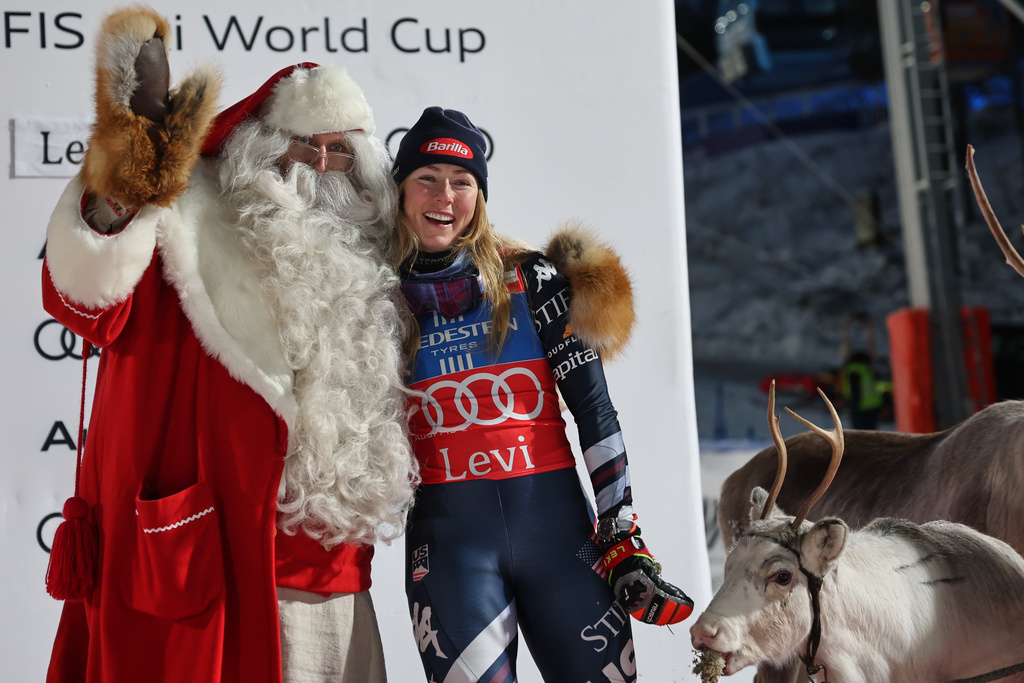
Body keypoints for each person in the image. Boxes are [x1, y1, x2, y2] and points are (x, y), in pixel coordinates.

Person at [40, 7, 417, 683]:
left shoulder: (377, 255)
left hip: (334, 575)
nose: (324, 167)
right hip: (210, 561)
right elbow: (87, 295)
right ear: (259, 147)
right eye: (307, 147)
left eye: (341, 152)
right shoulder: (185, 226)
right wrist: (122, 180)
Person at [390, 107, 693, 682]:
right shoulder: (375, 294)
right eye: (426, 178)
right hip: (451, 549)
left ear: (480, 195)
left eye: (462, 183)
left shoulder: (533, 279)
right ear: (401, 189)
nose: (444, 196)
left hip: (561, 541)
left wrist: (621, 531)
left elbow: (594, 410)